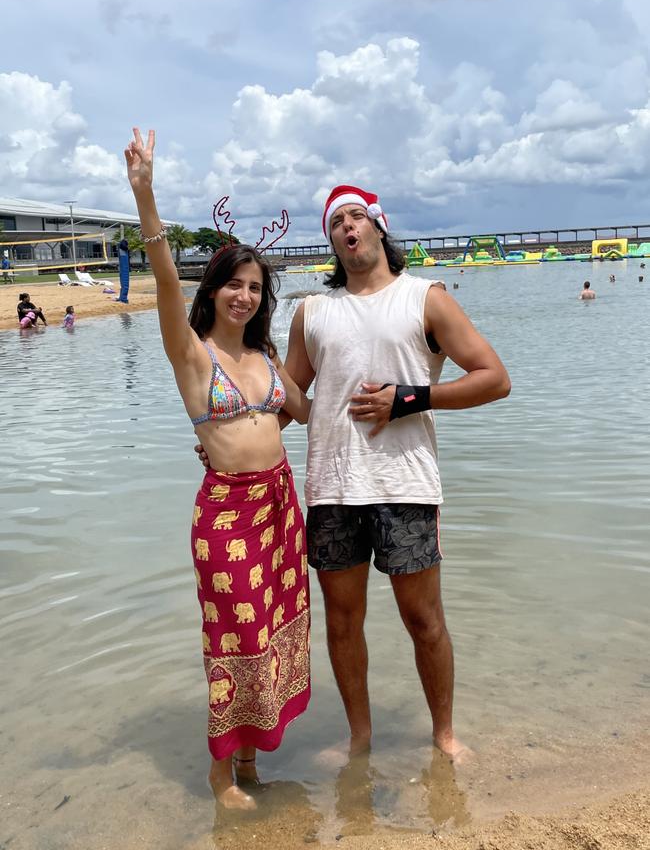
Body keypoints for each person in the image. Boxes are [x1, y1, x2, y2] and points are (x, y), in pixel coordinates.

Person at [197, 184, 511, 764]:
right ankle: (359, 739)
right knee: (343, 622)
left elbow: (494, 378)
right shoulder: (314, 311)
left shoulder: (426, 298)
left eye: (357, 217)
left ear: (379, 228)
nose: (348, 228)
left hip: (405, 486)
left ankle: (443, 734)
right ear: (332, 242)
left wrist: (409, 400)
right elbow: (283, 398)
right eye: (336, 222)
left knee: (424, 620)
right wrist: (232, 441)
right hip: (332, 490)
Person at [125, 128, 312, 811]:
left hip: (279, 507)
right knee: (233, 633)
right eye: (234, 283)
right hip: (228, 512)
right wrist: (145, 196)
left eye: (256, 287)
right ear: (216, 289)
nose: (244, 295)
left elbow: (305, 410)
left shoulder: (266, 359)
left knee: (274, 630)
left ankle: (254, 757)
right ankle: (220, 774)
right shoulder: (194, 355)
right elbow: (167, 283)